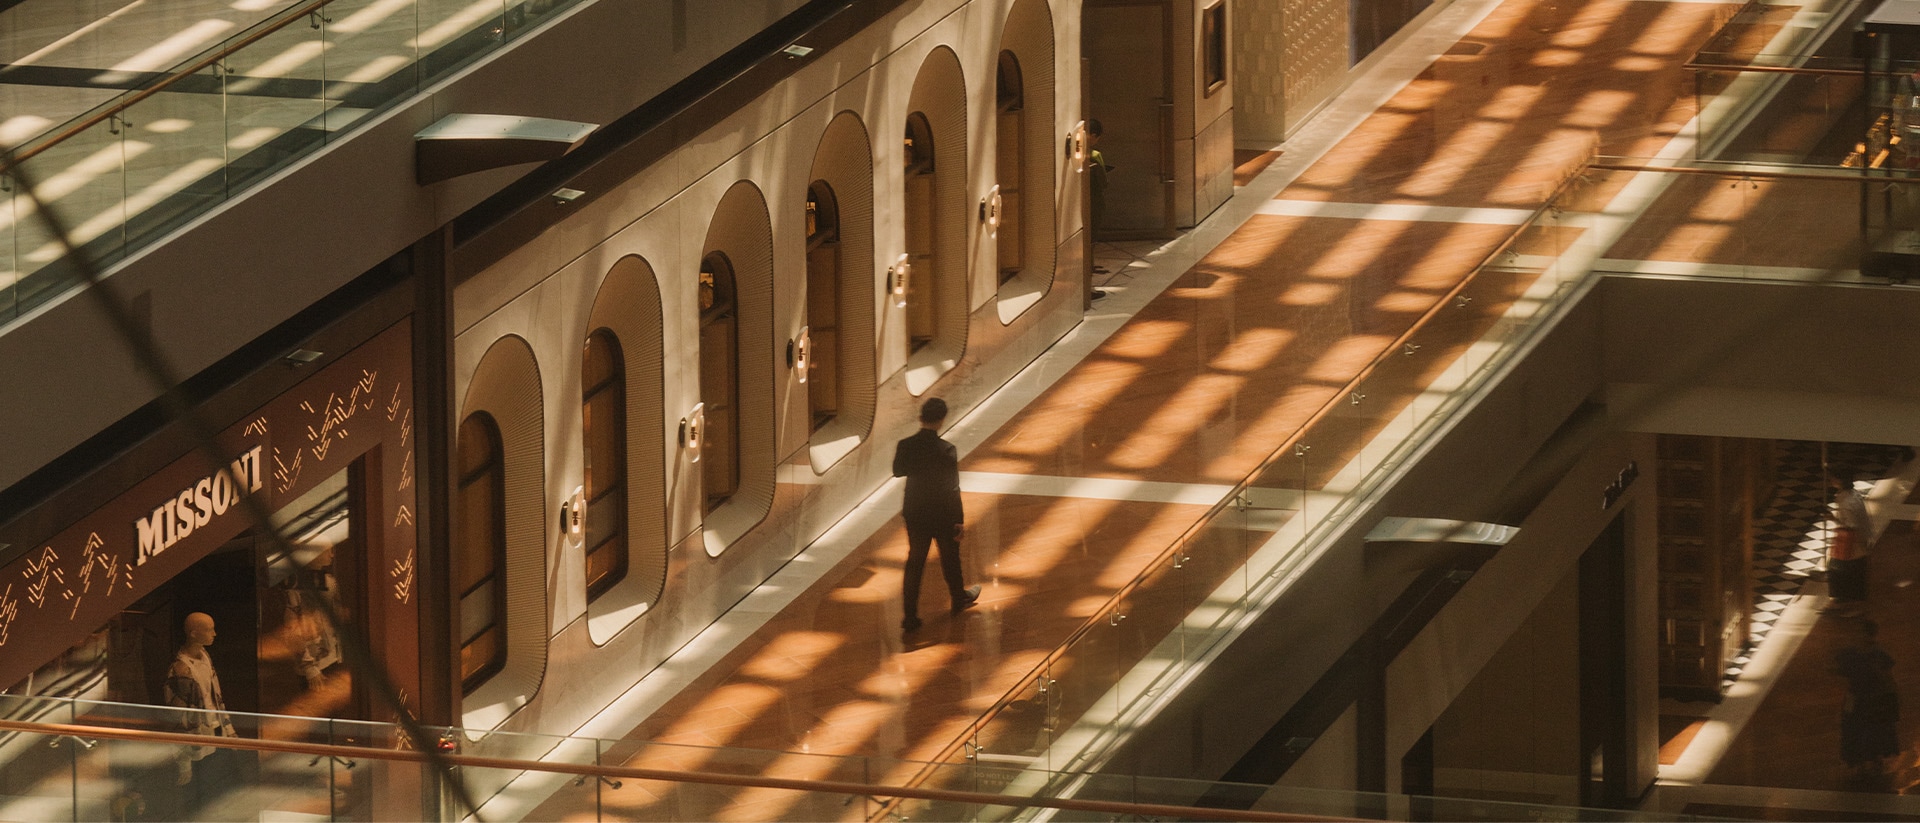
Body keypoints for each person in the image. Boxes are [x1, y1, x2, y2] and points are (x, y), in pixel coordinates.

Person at [892, 397, 980, 633]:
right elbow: (952, 488)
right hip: (942, 514)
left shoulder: (905, 445)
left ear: (921, 418)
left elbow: (898, 471)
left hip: (915, 513)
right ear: (941, 421)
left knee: (915, 563)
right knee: (950, 559)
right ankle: (958, 598)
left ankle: (910, 616)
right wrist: (958, 519)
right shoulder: (947, 450)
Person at [166, 612, 238, 800]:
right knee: (198, 794)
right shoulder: (180, 671)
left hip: (214, 732)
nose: (214, 634)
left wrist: (228, 729)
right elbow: (179, 719)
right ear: (193, 633)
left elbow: (216, 695)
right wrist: (184, 761)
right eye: (209, 630)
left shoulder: (205, 657)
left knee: (216, 789)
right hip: (196, 739)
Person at [1833, 620, 1900, 777]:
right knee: (1857, 728)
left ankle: (1869, 759)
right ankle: (1862, 761)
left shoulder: (1876, 655)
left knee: (1870, 729)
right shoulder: (1858, 653)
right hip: (1859, 698)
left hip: (1871, 699)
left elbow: (1888, 677)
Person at [1828, 470, 1873, 613]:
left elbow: (1851, 525)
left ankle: (1850, 605)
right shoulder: (1852, 495)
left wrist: (1833, 519)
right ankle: (1844, 600)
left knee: (1843, 571)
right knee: (1853, 572)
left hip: (1853, 543)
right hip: (1860, 539)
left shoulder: (1847, 502)